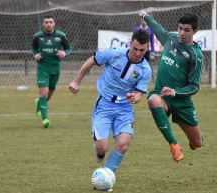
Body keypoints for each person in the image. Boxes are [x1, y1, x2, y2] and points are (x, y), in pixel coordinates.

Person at [68, 29, 152, 175]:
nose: (138, 53)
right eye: (135, 49)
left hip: (125, 109)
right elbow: (92, 60)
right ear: (129, 44)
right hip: (104, 104)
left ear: (147, 48)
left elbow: (140, 95)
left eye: (142, 50)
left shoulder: (145, 70)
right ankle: (99, 152)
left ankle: (107, 174)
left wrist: (135, 98)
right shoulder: (114, 53)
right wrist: (76, 81)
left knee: (123, 144)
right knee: (102, 148)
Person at [138, 10, 204, 162]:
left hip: (182, 102)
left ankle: (196, 137)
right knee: (153, 100)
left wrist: (174, 91)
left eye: (187, 30)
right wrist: (145, 16)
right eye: (180, 28)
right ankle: (174, 144)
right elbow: (156, 27)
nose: (182, 33)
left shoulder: (196, 56)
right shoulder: (170, 39)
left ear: (195, 31)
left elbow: (194, 86)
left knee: (197, 143)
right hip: (162, 96)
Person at [31, 15, 72, 128]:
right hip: (42, 68)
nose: (48, 24)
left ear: (54, 23)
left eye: (50, 22)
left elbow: (68, 48)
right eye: (46, 22)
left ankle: (39, 103)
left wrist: (64, 53)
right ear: (43, 24)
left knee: (49, 94)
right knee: (43, 93)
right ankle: (45, 119)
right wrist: (35, 55)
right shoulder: (38, 36)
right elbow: (33, 48)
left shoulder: (61, 35)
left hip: (55, 68)